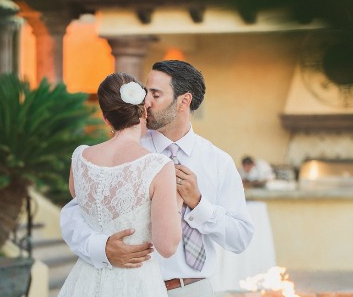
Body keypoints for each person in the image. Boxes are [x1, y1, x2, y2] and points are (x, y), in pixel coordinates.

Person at [60, 60, 254, 297]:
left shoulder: (218, 162)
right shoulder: (127, 153)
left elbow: (241, 238)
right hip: (132, 287)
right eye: (145, 92)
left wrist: (199, 204)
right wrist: (101, 247)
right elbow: (75, 214)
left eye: (156, 94)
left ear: (184, 101)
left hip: (193, 289)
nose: (146, 102)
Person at [57, 73, 182, 297]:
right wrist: (177, 202)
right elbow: (167, 246)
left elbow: (80, 210)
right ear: (144, 109)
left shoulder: (80, 158)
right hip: (136, 282)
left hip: (87, 278)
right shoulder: (159, 166)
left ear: (106, 118)